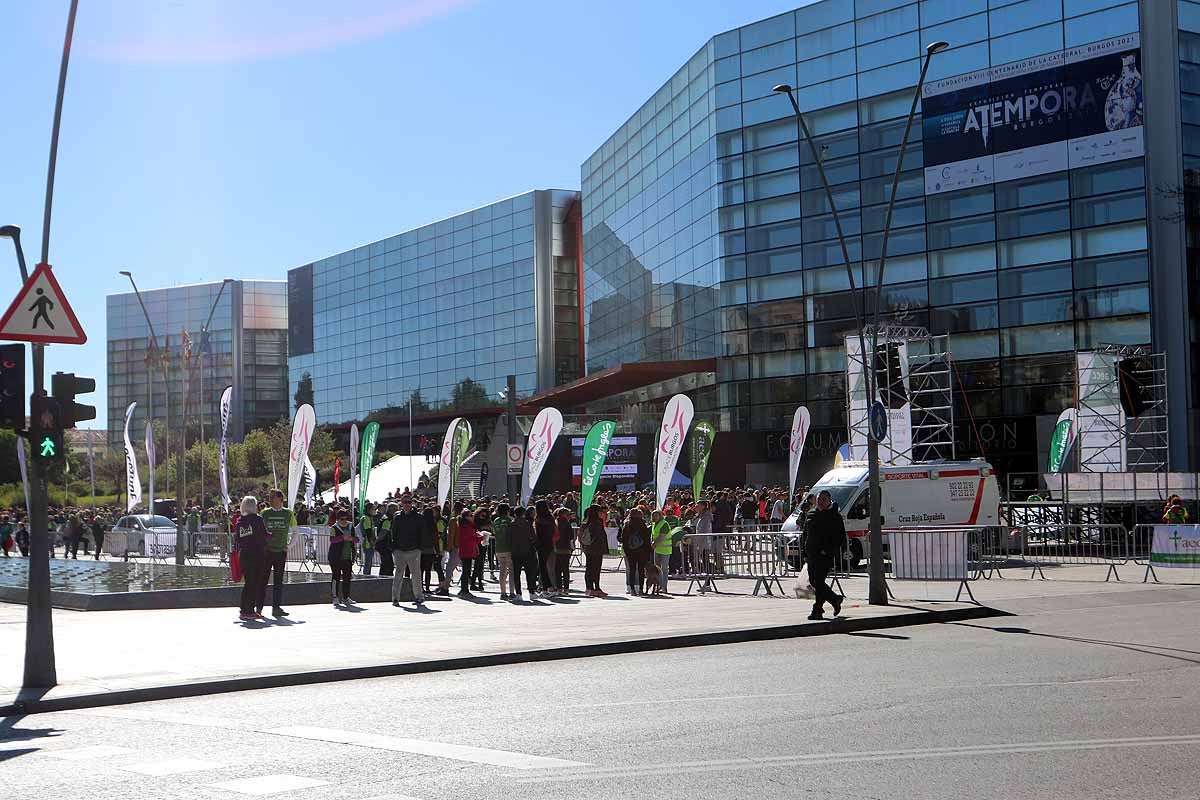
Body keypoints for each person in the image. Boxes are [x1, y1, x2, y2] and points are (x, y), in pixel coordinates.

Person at [803, 490, 846, 620]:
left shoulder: (834, 516)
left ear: (829, 501)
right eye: (819, 499)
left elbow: (840, 537)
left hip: (824, 555)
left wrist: (828, 550)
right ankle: (834, 599)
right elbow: (805, 533)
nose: (820, 502)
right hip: (811, 553)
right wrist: (804, 551)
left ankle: (817, 610)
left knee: (819, 581)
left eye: (823, 499)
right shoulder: (811, 514)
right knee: (813, 581)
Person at [258, 489, 296, 618]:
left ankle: (276, 608)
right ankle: (259, 608)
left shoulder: (288, 513)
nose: (270, 499)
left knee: (278, 581)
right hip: (267, 552)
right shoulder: (264, 513)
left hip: (281, 552)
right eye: (269, 496)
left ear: (280, 499)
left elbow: (296, 530)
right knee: (262, 581)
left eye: (272, 497)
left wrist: (289, 546)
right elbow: (258, 531)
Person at [234, 496, 270, 621]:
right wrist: (273, 534)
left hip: (245, 555)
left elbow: (237, 539)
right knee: (254, 583)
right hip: (257, 554)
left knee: (248, 582)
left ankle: (244, 608)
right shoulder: (258, 519)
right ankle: (249, 610)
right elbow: (264, 535)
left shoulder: (239, 522)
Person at [390, 495, 425, 607]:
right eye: (405, 502)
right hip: (400, 550)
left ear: (412, 503)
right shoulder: (398, 517)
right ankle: (395, 598)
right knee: (398, 574)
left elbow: (422, 533)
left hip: (414, 550)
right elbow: (393, 533)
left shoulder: (418, 517)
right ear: (401, 503)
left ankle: (419, 596)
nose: (407, 504)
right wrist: (394, 548)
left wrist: (419, 548)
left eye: (409, 502)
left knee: (416, 574)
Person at [327, 509, 359, 607]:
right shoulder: (334, 528)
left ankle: (346, 597)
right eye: (342, 519)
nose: (344, 521)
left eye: (346, 518)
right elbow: (332, 539)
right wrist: (342, 538)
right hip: (335, 557)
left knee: (347, 578)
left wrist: (352, 539)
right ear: (338, 519)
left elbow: (357, 539)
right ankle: (335, 597)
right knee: (336, 577)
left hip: (347, 557)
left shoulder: (351, 527)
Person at [620, 507, 651, 595]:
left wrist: (627, 550)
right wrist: (647, 552)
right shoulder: (642, 525)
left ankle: (632, 589)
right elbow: (647, 539)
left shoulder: (627, 525)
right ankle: (641, 589)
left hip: (630, 551)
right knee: (641, 570)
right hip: (642, 551)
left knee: (632, 570)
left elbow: (624, 539)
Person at [509, 506, 537, 600]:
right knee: (530, 573)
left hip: (515, 551)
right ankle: (532, 592)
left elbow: (508, 538)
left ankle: (518, 594)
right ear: (524, 513)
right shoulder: (527, 524)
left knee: (516, 574)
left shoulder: (511, 524)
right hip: (528, 551)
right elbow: (533, 537)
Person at [580, 505, 608, 597]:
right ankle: (595, 587)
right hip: (597, 548)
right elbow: (600, 536)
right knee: (596, 568)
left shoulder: (586, 522)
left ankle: (589, 588)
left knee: (589, 568)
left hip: (588, 548)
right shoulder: (597, 522)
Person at [456, 509, 482, 598]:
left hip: (466, 550)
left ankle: (463, 590)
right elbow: (471, 539)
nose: (472, 517)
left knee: (466, 570)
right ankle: (464, 590)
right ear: (466, 517)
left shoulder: (466, 526)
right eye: (471, 515)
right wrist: (481, 538)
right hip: (466, 550)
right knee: (466, 571)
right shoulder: (466, 527)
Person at [534, 500, 557, 596]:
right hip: (549, 543)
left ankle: (546, 588)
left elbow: (537, 534)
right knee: (546, 566)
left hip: (540, 544)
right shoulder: (550, 518)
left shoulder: (538, 519)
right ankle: (548, 587)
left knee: (542, 567)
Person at [420, 505, 445, 594]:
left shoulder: (421, 523)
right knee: (428, 570)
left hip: (421, 549)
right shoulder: (433, 524)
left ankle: (420, 587)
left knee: (421, 570)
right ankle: (427, 587)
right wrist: (437, 551)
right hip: (430, 550)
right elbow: (435, 539)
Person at [492, 503, 514, 600]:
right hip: (509, 548)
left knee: (502, 571)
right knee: (512, 570)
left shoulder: (496, 521)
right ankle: (512, 592)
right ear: (507, 511)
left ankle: (503, 592)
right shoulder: (510, 520)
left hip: (498, 548)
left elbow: (494, 532)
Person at [650, 509, 672, 594]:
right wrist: (652, 542)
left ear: (660, 516)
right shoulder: (654, 524)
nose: (654, 517)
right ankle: (658, 586)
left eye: (656, 515)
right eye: (653, 516)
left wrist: (654, 544)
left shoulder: (664, 524)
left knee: (664, 569)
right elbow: (653, 535)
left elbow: (662, 537)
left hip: (665, 550)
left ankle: (664, 587)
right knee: (657, 569)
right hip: (657, 549)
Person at [554, 507, 575, 595]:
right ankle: (566, 589)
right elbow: (571, 536)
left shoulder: (555, 522)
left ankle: (559, 588)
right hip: (566, 548)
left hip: (556, 548)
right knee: (565, 569)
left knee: (557, 569)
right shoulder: (567, 523)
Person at [359, 502, 377, 575]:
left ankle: (367, 576)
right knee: (368, 563)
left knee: (369, 563)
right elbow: (368, 531)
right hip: (368, 544)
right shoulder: (366, 518)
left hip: (369, 543)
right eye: (373, 509)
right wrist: (372, 542)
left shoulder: (369, 518)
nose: (375, 510)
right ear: (369, 510)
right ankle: (366, 577)